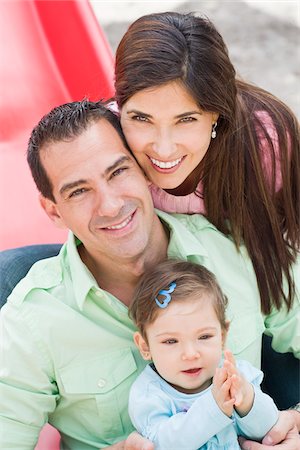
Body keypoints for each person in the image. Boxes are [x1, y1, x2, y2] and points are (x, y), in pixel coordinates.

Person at [0, 100, 299, 450]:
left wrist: (294, 421)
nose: (110, 205)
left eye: (118, 172)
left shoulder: (238, 252)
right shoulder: (31, 324)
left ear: (145, 171)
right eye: (79, 191)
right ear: (54, 210)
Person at [115, 11, 300, 328]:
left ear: (216, 114)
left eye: (186, 119)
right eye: (141, 118)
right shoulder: (107, 148)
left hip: (257, 306)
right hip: (153, 317)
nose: (163, 148)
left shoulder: (264, 145)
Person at [128, 259, 279, 449]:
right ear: (145, 346)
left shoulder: (236, 375)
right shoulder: (149, 394)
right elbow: (163, 443)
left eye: (204, 336)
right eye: (171, 341)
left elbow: (269, 430)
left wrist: (247, 400)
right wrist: (213, 407)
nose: (191, 354)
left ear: (222, 336)